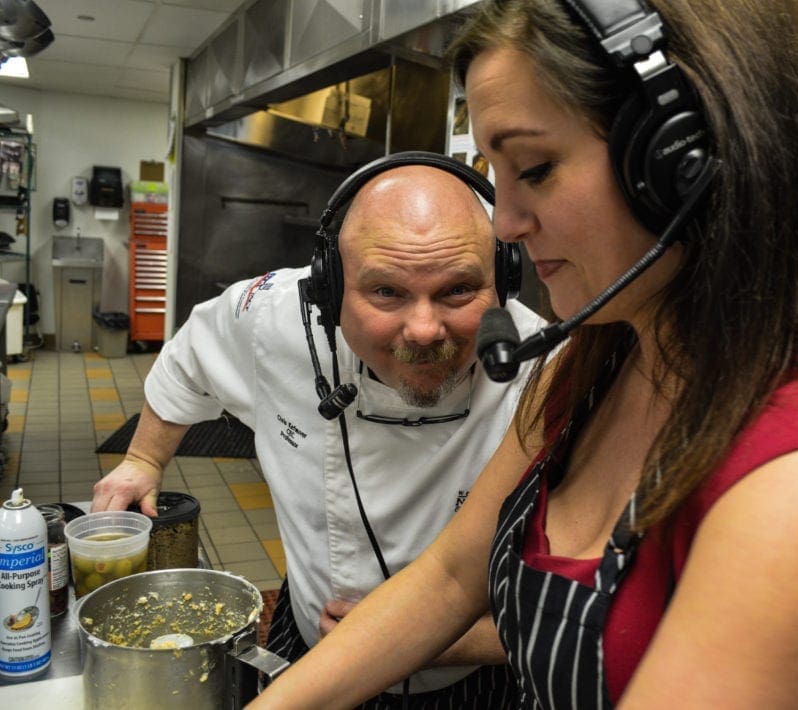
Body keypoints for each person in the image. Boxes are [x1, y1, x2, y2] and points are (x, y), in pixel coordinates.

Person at [250, 1, 798, 708]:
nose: (505, 222)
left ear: (677, 160)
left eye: (532, 167)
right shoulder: (591, 362)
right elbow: (448, 579)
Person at [92, 153, 545, 707]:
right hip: (308, 641)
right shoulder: (273, 315)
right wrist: (143, 459)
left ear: (504, 280)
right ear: (329, 289)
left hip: (467, 679)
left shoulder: (546, 370)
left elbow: (584, 609)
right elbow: (189, 361)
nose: (425, 330)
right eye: (386, 293)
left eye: (457, 291)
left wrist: (439, 641)